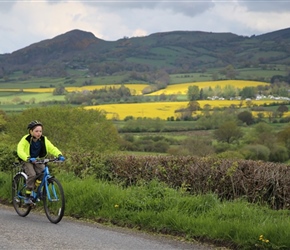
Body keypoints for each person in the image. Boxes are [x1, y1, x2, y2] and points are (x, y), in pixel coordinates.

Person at [17, 120, 65, 205]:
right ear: (31, 131)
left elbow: (51, 148)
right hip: (27, 160)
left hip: (37, 159)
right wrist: (27, 158)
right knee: (32, 174)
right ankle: (27, 196)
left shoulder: (43, 139)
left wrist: (59, 154)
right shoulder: (26, 139)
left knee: (43, 173)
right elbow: (20, 150)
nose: (39, 133)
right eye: (36, 131)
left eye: (40, 131)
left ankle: (35, 191)